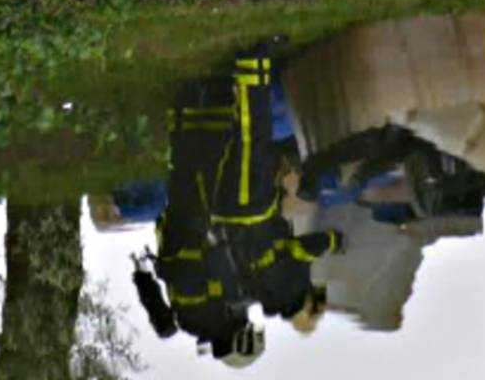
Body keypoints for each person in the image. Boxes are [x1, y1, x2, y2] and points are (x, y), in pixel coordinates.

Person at [132, 47, 343, 368]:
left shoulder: (238, 301)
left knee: (248, 142)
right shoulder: (190, 321)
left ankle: (250, 64)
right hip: (186, 222)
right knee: (190, 162)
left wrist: (332, 242)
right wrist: (142, 276)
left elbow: (260, 257)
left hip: (224, 219)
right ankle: (189, 97)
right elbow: (164, 307)